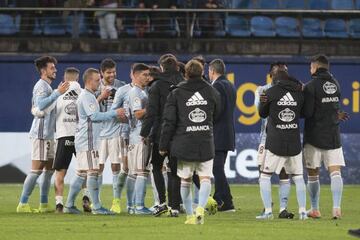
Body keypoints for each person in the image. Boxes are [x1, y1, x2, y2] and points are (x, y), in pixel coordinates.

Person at [159, 59, 221, 225]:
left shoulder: (176, 92)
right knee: (205, 178)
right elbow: (218, 113)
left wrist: (163, 145)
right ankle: (200, 208)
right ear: (202, 73)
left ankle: (190, 216)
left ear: (185, 73)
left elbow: (169, 121)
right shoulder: (211, 91)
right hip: (205, 141)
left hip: (184, 143)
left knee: (185, 181)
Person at [64, 68, 122, 215]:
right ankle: (96, 207)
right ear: (89, 81)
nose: (99, 82)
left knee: (81, 173)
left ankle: (69, 205)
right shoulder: (86, 96)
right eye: (97, 80)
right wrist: (115, 113)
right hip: (88, 141)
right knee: (93, 172)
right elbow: (94, 116)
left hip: (85, 140)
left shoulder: (89, 96)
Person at [16, 56, 69, 213]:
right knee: (36, 170)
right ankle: (23, 203)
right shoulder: (41, 86)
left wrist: (56, 93)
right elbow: (40, 105)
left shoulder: (48, 87)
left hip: (49, 135)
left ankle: (43, 204)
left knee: (49, 170)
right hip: (41, 134)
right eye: (52, 68)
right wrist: (57, 93)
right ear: (43, 70)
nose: (55, 70)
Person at [257, 69, 309, 220]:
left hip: (275, 142)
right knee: (298, 177)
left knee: (265, 177)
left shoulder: (270, 92)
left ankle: (268, 212)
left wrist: (263, 102)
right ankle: (303, 211)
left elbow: (262, 113)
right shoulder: (299, 93)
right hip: (294, 141)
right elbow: (304, 113)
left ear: (275, 79)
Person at [303, 55, 349, 219]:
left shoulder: (310, 86)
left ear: (315, 68)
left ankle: (315, 209)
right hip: (332, 135)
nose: (310, 70)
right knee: (335, 172)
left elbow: (307, 112)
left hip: (314, 136)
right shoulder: (335, 84)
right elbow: (334, 109)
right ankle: (336, 208)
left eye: (310, 68)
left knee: (313, 174)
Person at [140, 55, 183, 216]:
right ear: (176, 67)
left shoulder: (156, 86)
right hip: (179, 133)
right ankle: (175, 206)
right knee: (174, 170)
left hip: (160, 133)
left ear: (162, 68)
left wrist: (144, 132)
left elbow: (151, 113)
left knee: (156, 166)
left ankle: (162, 202)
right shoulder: (183, 83)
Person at [254, 62, 295, 219]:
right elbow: (260, 112)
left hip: (285, 136)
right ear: (271, 74)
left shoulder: (292, 90)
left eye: (284, 71)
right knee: (263, 171)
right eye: (279, 72)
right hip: (267, 137)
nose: (282, 74)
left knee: (284, 172)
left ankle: (283, 208)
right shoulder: (262, 90)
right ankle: (267, 207)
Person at [96, 58, 126, 214]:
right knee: (98, 168)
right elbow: (89, 107)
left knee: (116, 167)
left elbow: (126, 105)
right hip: (99, 134)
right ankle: (97, 201)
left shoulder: (121, 86)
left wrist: (124, 115)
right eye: (108, 72)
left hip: (116, 132)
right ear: (102, 73)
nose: (112, 75)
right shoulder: (95, 86)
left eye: (114, 71)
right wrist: (101, 96)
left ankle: (116, 201)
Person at [208, 59, 236, 212]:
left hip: (218, 133)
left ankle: (227, 201)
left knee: (216, 168)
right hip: (227, 133)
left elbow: (217, 110)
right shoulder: (230, 84)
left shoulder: (217, 86)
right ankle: (219, 199)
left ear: (212, 71)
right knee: (217, 168)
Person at [52, 67, 81, 213]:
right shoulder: (82, 92)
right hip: (79, 135)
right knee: (85, 170)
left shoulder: (57, 94)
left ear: (64, 77)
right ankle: (86, 199)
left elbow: (45, 111)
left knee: (60, 172)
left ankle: (59, 203)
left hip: (63, 135)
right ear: (77, 78)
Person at [126, 63, 153, 214]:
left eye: (149, 75)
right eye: (145, 75)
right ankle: (139, 206)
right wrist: (153, 108)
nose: (148, 77)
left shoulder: (142, 92)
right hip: (140, 136)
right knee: (142, 171)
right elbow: (137, 114)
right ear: (135, 76)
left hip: (136, 136)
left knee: (134, 173)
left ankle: (131, 206)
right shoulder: (136, 93)